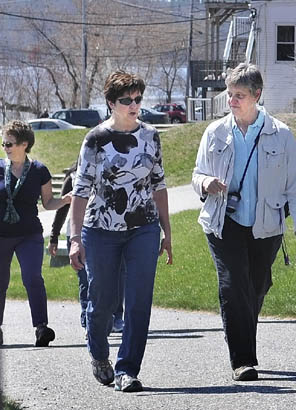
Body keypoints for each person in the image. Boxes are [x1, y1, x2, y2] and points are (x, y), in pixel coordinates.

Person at [192, 63, 296, 382]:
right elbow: (197, 175)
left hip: (266, 225)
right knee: (233, 286)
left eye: (239, 95)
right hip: (223, 222)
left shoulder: (280, 134)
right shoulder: (215, 132)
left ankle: (243, 336)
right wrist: (206, 184)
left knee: (255, 287)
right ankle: (243, 360)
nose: (232, 101)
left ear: (257, 95)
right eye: (229, 94)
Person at [69, 70, 173, 393]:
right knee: (103, 301)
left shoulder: (151, 136)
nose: (134, 105)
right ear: (112, 103)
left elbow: (159, 185)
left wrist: (167, 232)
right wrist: (74, 239)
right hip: (101, 230)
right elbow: (80, 191)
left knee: (139, 300)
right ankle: (99, 353)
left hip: (144, 228)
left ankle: (127, 369)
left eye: (138, 99)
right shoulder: (95, 140)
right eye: (126, 100)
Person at [0, 121, 71, 347]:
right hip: (1, 236)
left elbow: (48, 202)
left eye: (9, 143)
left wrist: (66, 200)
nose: (5, 147)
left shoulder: (39, 171)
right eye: (4, 143)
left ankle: (41, 327)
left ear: (24, 144)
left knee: (32, 277)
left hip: (29, 234)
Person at [48, 160, 124, 338]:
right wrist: (53, 236)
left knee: (111, 278)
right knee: (85, 279)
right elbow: (62, 208)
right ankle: (88, 321)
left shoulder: (112, 174)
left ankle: (115, 317)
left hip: (107, 232)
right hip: (77, 234)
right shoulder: (74, 177)